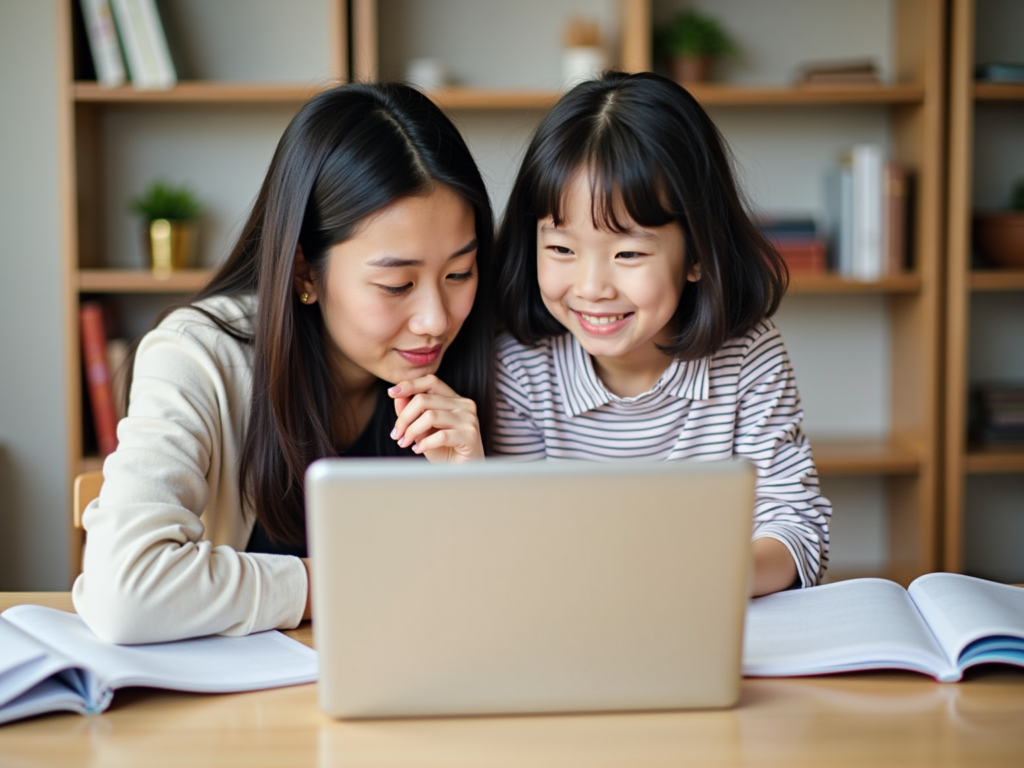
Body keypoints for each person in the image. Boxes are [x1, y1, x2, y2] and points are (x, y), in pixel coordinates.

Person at [73, 82, 496, 643]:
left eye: (459, 274)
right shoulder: (198, 357)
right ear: (305, 272)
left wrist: (472, 493)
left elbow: (490, 609)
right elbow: (123, 590)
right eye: (397, 284)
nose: (436, 320)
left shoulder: (482, 360)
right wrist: (341, 583)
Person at [492, 71, 831, 596]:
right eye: (561, 249)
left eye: (628, 253)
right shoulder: (520, 367)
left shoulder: (749, 358)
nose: (591, 287)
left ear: (696, 253)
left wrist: (703, 576)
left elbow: (798, 530)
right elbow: (515, 543)